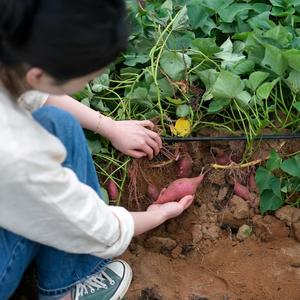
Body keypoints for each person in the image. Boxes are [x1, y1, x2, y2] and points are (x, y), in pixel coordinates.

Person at [0, 1, 195, 299]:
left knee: (58, 123)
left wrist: (110, 126)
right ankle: (65, 294)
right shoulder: (18, 151)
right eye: (87, 76)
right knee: (60, 219)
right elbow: (90, 226)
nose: (89, 80)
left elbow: (34, 93)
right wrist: (158, 215)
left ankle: (63, 282)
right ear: (39, 75)